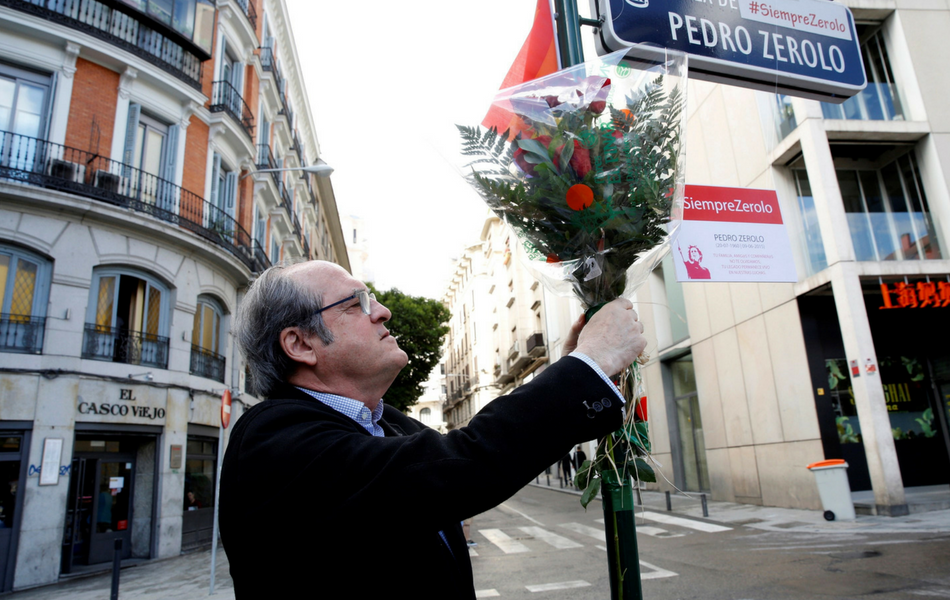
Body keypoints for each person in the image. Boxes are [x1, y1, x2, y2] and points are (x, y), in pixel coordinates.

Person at [219, 260, 647, 599]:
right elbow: (460, 466)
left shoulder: (386, 424)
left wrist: (572, 370)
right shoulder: (271, 439)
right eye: (356, 304)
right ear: (300, 344)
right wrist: (586, 367)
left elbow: (468, 447)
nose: (383, 311)